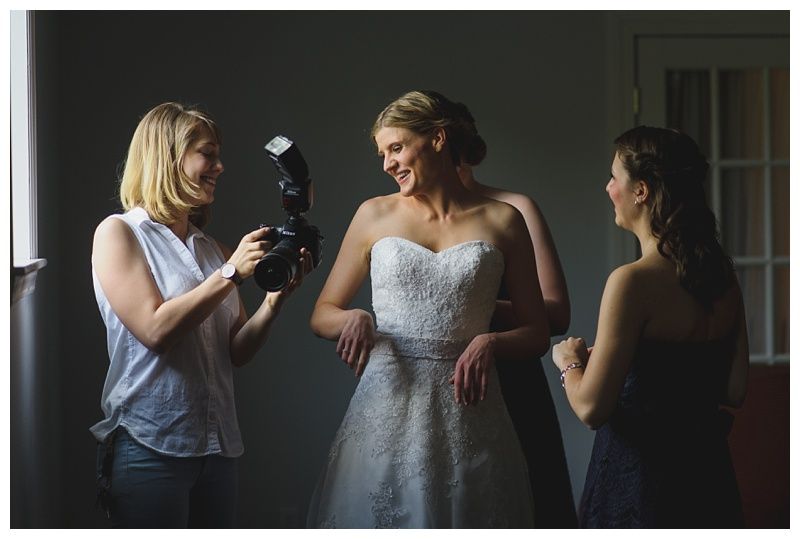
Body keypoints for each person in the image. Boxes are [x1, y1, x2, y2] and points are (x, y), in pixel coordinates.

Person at [306, 90, 551, 528]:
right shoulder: (373, 215)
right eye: (382, 154)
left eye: (396, 148)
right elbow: (322, 312)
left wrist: (490, 341)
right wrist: (354, 317)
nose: (387, 164)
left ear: (437, 138)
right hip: (385, 406)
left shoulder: (503, 220)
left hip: (471, 411)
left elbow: (537, 330)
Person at [90, 102, 311, 528]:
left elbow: (238, 350)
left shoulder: (210, 248)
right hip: (149, 445)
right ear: (169, 158)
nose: (220, 167)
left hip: (217, 447)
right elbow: (155, 329)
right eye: (207, 154)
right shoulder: (119, 233)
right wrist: (231, 274)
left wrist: (274, 302)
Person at [552, 126, 748, 528]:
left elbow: (591, 408)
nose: (608, 188)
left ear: (641, 190)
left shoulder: (632, 281)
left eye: (614, 177)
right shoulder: (724, 278)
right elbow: (734, 389)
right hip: (708, 481)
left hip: (639, 486)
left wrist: (570, 363)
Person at [454, 105, 577, 527]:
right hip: (437, 384)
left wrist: (474, 304)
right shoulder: (400, 216)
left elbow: (557, 314)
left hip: (511, 379)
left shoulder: (514, 207)